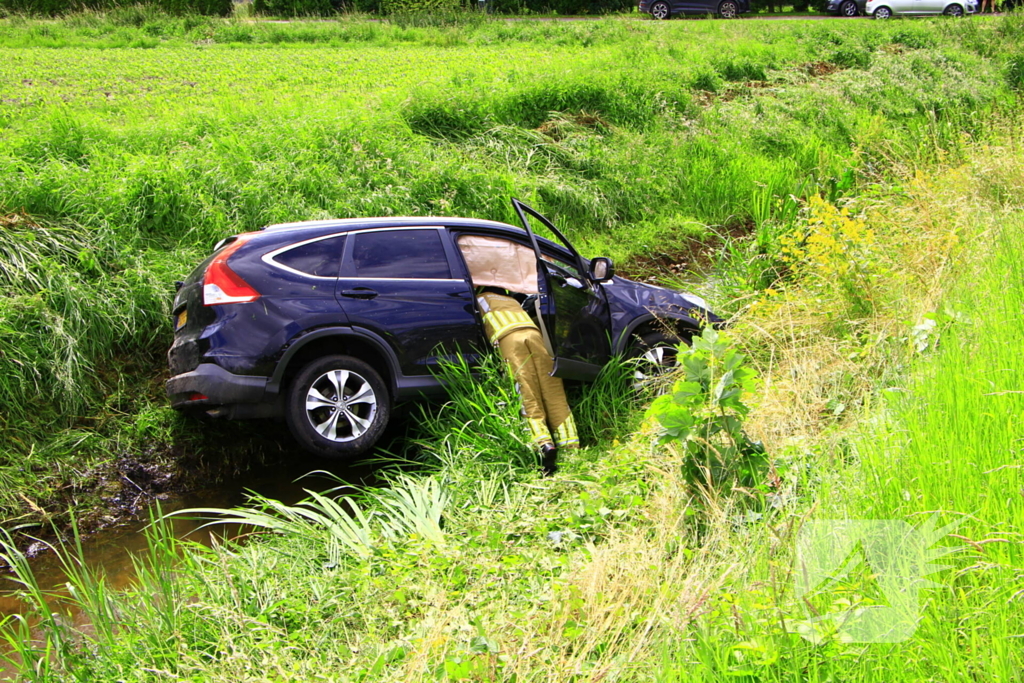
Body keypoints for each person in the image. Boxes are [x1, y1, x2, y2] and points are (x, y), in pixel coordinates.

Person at [476, 286, 578, 475]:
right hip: (533, 334)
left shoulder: (478, 300)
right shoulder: (512, 300)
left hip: (508, 338)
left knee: (526, 390)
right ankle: (570, 445)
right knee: (552, 388)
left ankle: (543, 446)